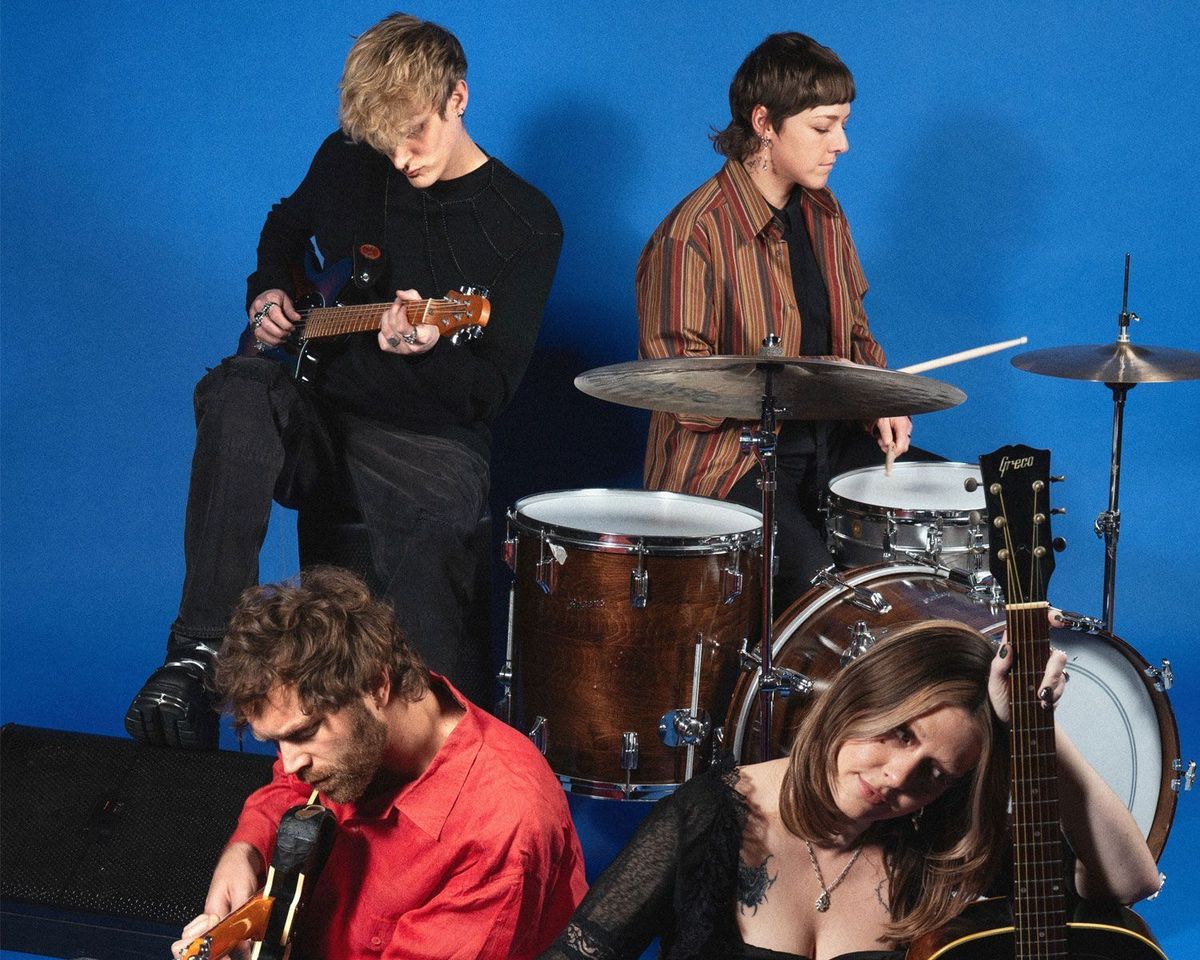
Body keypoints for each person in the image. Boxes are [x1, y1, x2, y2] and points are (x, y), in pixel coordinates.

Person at [125, 12, 563, 748]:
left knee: (426, 654)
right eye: (385, 140)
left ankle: (428, 748)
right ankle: (198, 654)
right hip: (319, 418)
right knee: (236, 386)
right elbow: (285, 225)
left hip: (427, 439)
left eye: (414, 132)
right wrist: (268, 291)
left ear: (458, 97)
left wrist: (426, 345)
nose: (401, 157)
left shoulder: (524, 222)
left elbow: (489, 391)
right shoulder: (351, 157)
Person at [537, 620, 1162, 959]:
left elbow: (1129, 883)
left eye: (935, 773)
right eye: (898, 734)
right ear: (859, 701)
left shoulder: (937, 848)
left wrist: (1036, 724)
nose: (897, 777)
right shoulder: (709, 818)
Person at [638, 33, 936, 612]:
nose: (842, 144)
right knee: (826, 593)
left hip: (830, 447)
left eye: (843, 124)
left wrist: (883, 396)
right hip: (730, 466)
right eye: (823, 127)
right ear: (764, 124)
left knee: (983, 513)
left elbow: (856, 335)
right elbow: (683, 392)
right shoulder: (690, 236)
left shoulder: (825, 212)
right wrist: (808, 378)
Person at [171, 566, 587, 959]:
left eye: (303, 733)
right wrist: (246, 848)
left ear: (376, 685)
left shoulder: (499, 826)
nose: (290, 763)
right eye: (276, 742)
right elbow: (290, 788)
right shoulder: (352, 737)